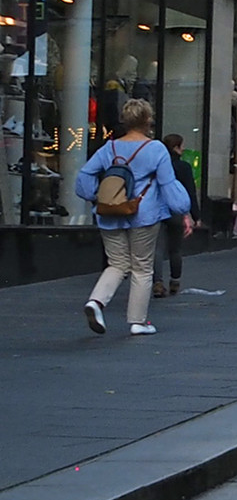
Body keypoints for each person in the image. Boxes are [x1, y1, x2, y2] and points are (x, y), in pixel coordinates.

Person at [76, 100, 190, 337]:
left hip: (110, 212)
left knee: (116, 263)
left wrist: (96, 197)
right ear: (148, 120)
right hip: (144, 214)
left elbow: (85, 176)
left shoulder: (109, 148)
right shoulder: (156, 149)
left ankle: (96, 302)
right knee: (141, 267)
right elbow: (168, 184)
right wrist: (182, 207)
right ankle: (138, 321)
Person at [153, 134, 200, 299]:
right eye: (181, 146)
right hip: (176, 210)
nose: (183, 149)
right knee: (175, 248)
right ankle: (175, 281)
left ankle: (157, 283)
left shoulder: (157, 165)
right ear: (176, 148)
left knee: (157, 249)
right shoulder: (183, 167)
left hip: (157, 210)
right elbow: (190, 192)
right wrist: (195, 215)